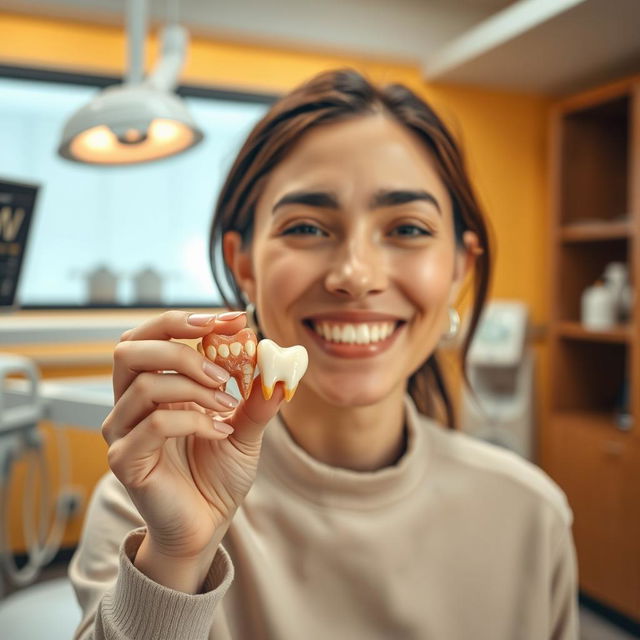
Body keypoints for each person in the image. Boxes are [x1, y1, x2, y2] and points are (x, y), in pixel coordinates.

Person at [70, 68, 578, 640]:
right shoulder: (147, 507)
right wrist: (178, 560)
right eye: (308, 227)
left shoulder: (532, 516)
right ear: (244, 265)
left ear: (460, 266)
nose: (356, 276)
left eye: (408, 228)